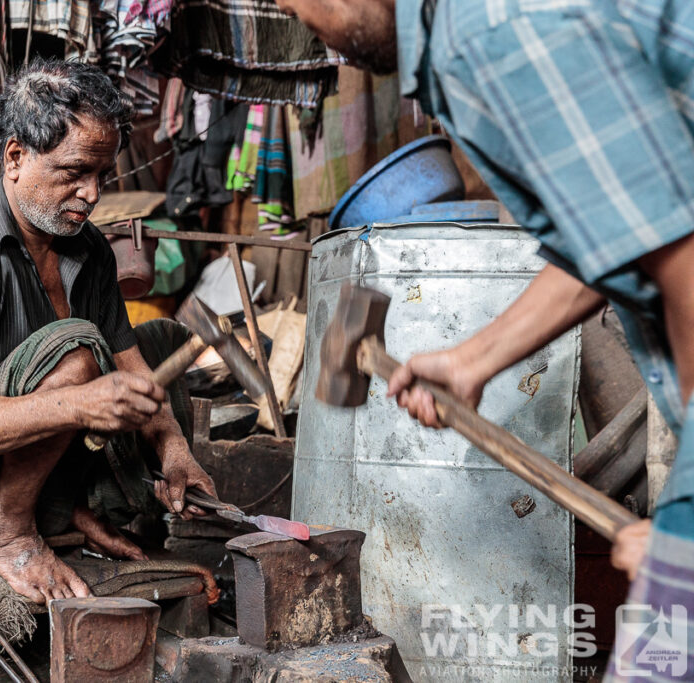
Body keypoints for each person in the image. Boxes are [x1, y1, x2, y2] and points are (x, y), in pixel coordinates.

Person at [276, 0, 694, 677]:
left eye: (296, 2)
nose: (306, 26)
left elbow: (685, 253)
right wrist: (475, 358)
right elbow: (625, 228)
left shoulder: (494, 33)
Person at [0, 59, 216, 604]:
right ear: (15, 157)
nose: (91, 195)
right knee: (77, 350)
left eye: (102, 176)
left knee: (160, 341)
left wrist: (177, 451)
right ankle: (6, 526)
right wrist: (76, 405)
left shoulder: (86, 250)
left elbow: (134, 366)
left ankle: (65, 508)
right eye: (73, 172)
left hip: (41, 461)